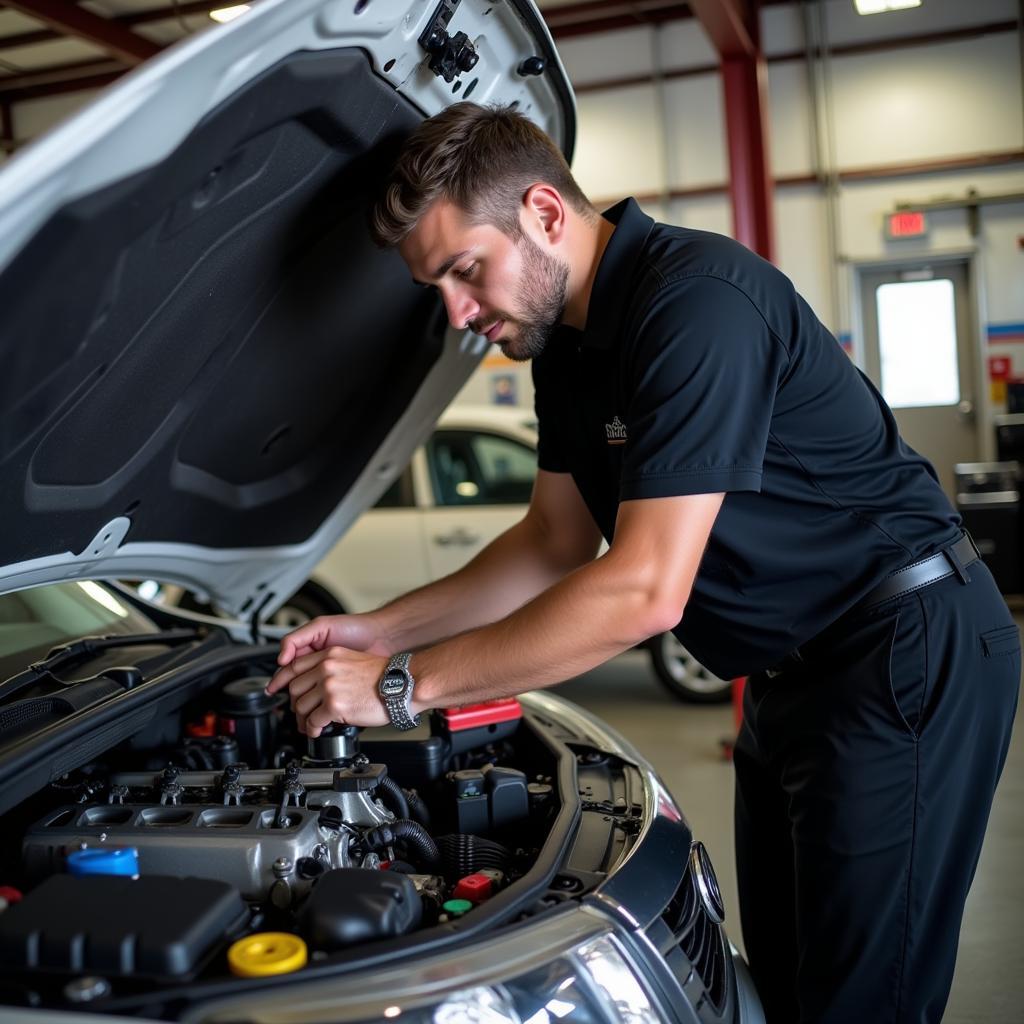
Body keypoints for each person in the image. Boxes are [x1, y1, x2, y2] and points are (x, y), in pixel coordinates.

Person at [266, 102, 1019, 1022]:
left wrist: (400, 685)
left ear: (545, 214)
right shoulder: (564, 347)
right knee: (782, 989)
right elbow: (553, 542)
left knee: (861, 1005)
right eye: (440, 289)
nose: (460, 315)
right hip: (789, 678)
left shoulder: (695, 302)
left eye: (466, 271)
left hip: (901, 652)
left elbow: (643, 591)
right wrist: (378, 628)